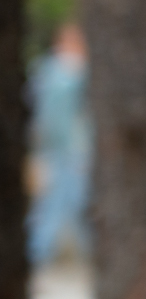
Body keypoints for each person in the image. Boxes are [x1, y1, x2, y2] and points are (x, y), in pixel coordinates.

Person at [27, 22, 93, 267]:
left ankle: (36, 257)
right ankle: (35, 257)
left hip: (61, 151)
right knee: (61, 208)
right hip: (69, 152)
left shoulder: (45, 71)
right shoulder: (67, 73)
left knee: (61, 208)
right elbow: (57, 120)